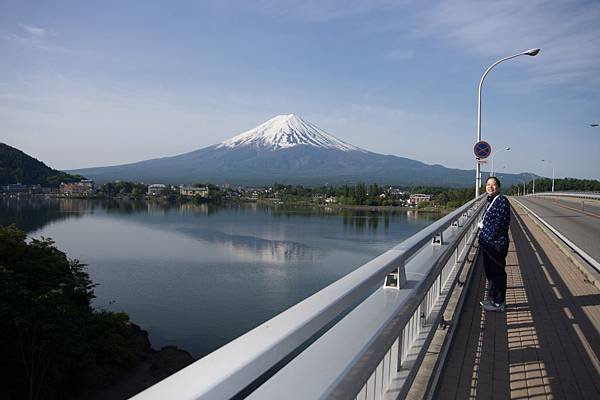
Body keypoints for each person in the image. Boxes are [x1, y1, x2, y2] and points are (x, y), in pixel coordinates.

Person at [478, 176, 511, 312]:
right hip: (488, 244)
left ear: (499, 187)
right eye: (488, 184)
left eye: (493, 185)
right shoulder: (491, 200)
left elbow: (499, 225)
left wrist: (485, 235)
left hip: (496, 245)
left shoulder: (502, 201)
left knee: (497, 273)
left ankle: (499, 303)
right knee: (490, 273)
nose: (490, 187)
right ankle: (492, 299)